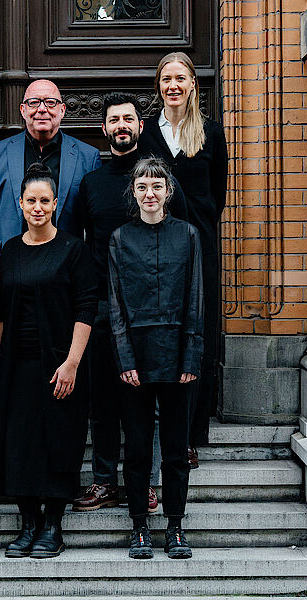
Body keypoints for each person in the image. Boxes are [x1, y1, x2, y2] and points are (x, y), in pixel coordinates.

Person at [73, 92, 188, 514]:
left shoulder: (160, 178)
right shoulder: (92, 183)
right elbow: (80, 244)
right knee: (104, 400)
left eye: (128, 119)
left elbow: (182, 237)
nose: (121, 126)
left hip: (154, 311)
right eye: (114, 120)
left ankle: (148, 483)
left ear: (141, 126)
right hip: (104, 307)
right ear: (104, 129)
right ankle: (105, 481)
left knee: (150, 400)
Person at [0, 163, 98, 559]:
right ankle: (28, 524)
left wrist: (72, 363)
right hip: (17, 363)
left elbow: (86, 307)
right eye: (31, 200)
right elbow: (1, 309)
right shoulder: (11, 249)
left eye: (44, 201)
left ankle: (53, 526)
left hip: (58, 364)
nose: (37, 207)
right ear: (20, 204)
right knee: (18, 442)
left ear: (56, 204)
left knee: (58, 441)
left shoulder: (73, 249)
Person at [108, 157, 203, 560]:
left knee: (177, 449)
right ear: (133, 192)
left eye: (157, 186)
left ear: (168, 191)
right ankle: (140, 527)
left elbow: (195, 297)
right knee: (137, 448)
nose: (150, 194)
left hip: (178, 357)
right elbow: (115, 304)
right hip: (136, 359)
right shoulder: (120, 238)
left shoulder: (188, 235)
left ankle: (176, 526)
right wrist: (124, 357)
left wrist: (191, 357)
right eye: (142, 187)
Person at [139, 52, 228, 468]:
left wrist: (198, 227)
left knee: (197, 334)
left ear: (193, 83)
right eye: (166, 79)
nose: (173, 86)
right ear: (159, 86)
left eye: (180, 78)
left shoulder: (211, 132)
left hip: (198, 249)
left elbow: (217, 194)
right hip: (155, 249)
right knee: (160, 332)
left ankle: (190, 435)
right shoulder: (147, 134)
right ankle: (155, 428)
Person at [0, 79, 102, 277]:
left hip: (65, 273)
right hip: (7, 269)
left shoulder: (88, 157)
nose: (41, 109)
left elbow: (95, 226)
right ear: (23, 110)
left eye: (50, 102)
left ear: (62, 110)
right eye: (33, 102)